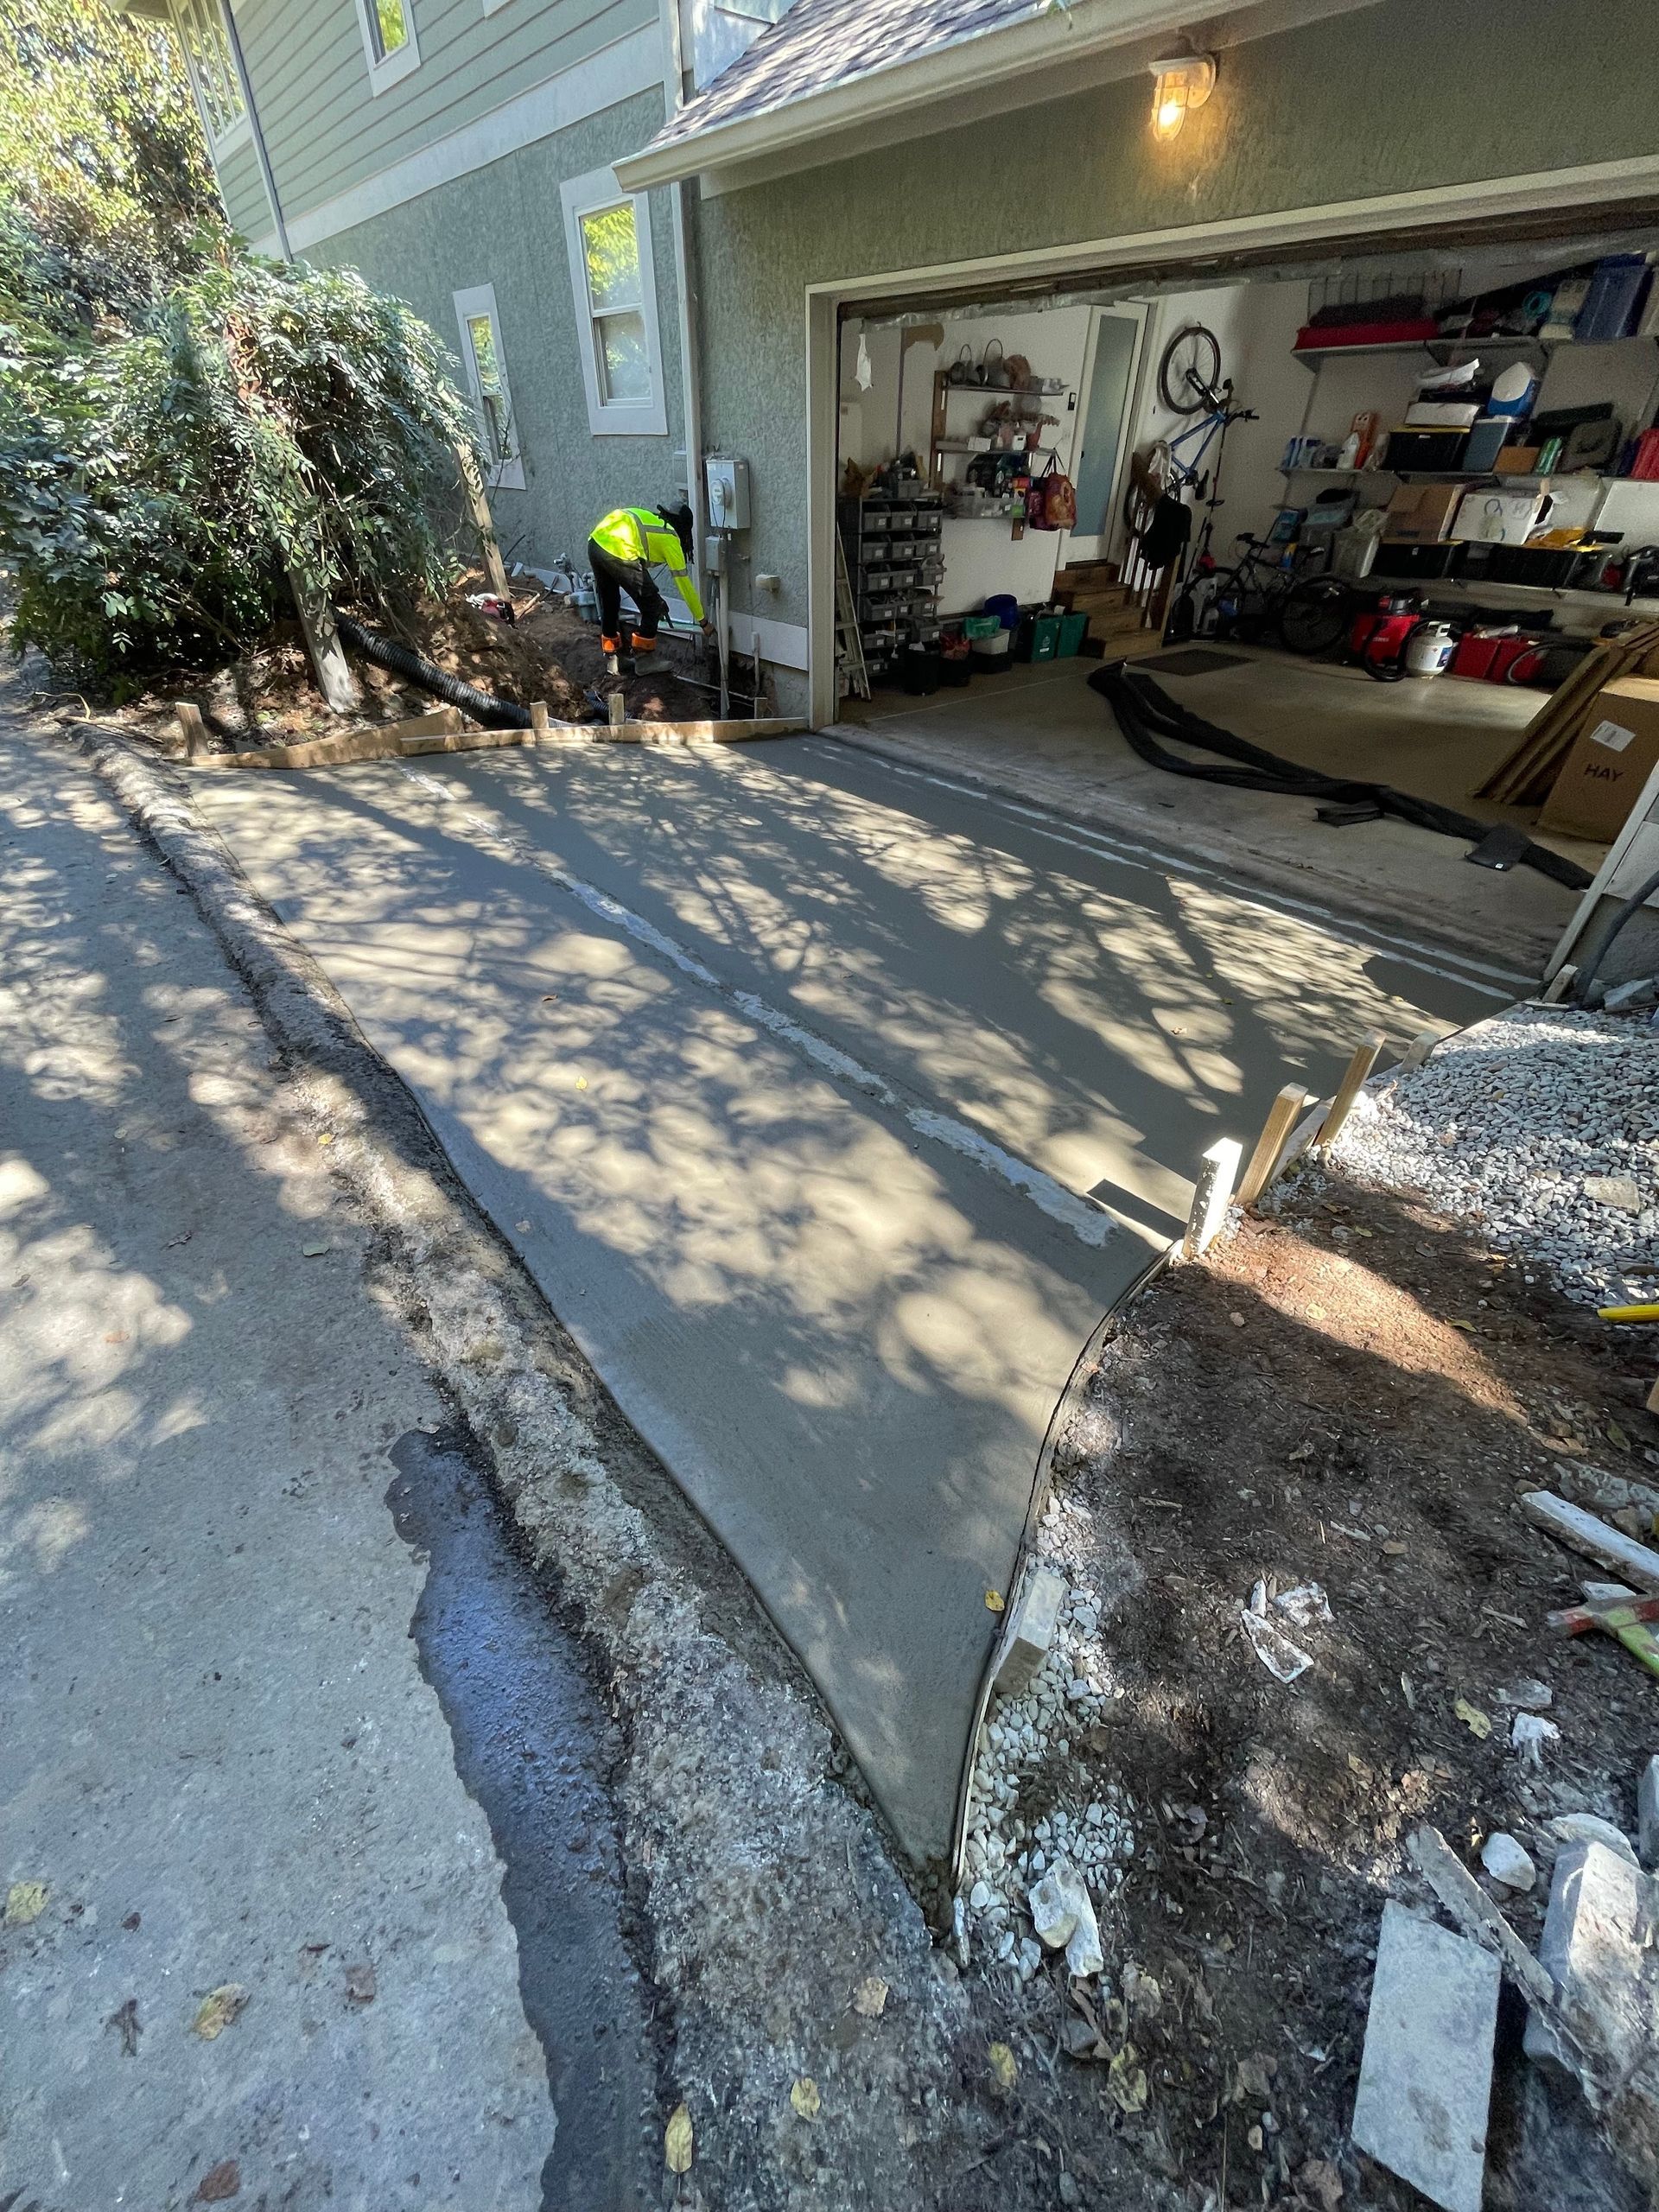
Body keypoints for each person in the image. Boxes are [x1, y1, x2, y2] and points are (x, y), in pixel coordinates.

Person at [587, 500, 711, 674]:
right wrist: (702, 620)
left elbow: (639, 573)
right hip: (618, 549)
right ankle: (644, 659)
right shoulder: (670, 537)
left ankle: (613, 659)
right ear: (683, 528)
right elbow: (684, 584)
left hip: (596, 543)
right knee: (653, 606)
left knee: (610, 601)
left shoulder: (653, 521)